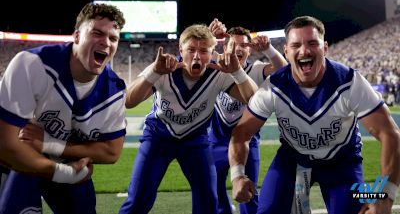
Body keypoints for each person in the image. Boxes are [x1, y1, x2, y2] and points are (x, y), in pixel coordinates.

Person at [228, 15, 400, 214]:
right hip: (292, 160)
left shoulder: (350, 82)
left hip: (341, 163)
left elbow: (390, 134)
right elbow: (241, 133)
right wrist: (238, 175)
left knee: (363, 203)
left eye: (312, 43)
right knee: (268, 210)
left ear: (325, 47)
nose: (304, 50)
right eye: (296, 45)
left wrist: (386, 195)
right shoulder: (273, 87)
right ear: (286, 51)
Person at [0, 2, 127, 214]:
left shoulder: (114, 91)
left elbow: (111, 152)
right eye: (97, 33)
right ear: (77, 36)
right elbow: (6, 144)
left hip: (70, 165)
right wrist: (64, 173)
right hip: (19, 163)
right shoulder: (33, 64)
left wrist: (52, 144)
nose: (106, 42)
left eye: (113, 38)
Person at [119, 21, 258, 214]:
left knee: (208, 202)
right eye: (191, 49)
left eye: (203, 51)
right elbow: (129, 100)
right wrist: (153, 72)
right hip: (158, 137)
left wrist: (237, 71)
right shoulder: (164, 67)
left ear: (213, 52)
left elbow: (255, 102)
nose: (196, 56)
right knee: (138, 199)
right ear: (180, 50)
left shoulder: (219, 73)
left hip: (195, 140)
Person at [207, 26, 287, 214]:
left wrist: (268, 49)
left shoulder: (257, 70)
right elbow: (195, 55)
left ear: (250, 50)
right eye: (233, 44)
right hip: (216, 141)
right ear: (224, 47)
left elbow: (284, 70)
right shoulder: (214, 67)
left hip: (249, 143)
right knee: (215, 194)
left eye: (244, 45)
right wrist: (210, 37)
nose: (239, 48)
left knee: (249, 195)